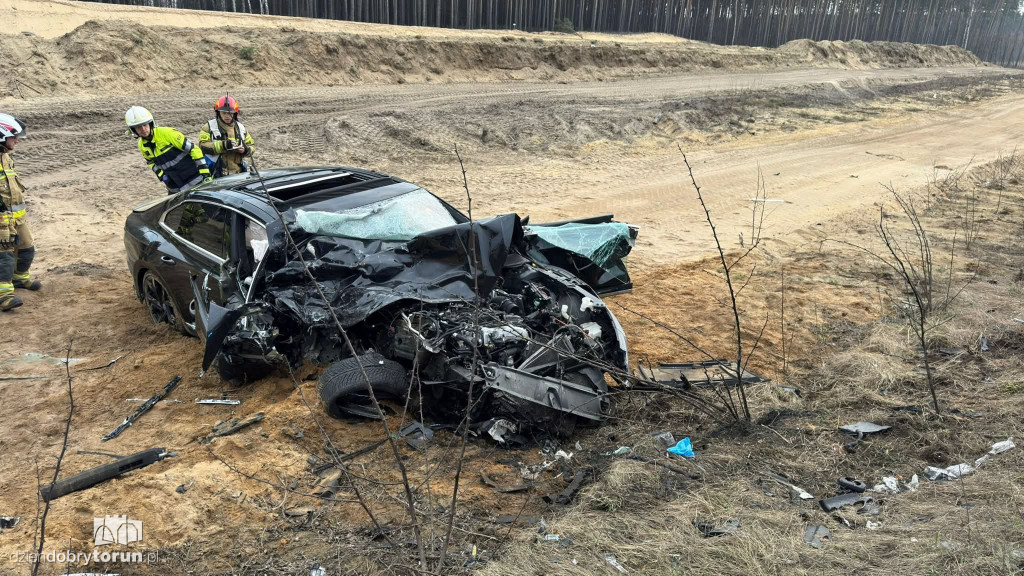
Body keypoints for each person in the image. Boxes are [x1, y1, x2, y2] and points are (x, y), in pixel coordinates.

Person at [0, 113, 39, 312]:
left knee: (26, 248)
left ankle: (20, 279)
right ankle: (3, 296)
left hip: (17, 217)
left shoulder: (6, 158)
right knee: (3, 255)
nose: (17, 141)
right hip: (1, 220)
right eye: (14, 137)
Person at [125, 106, 211, 195]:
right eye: (138, 127)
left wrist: (205, 173)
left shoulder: (167, 133)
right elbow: (150, 162)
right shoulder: (141, 145)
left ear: (150, 123)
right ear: (133, 130)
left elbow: (194, 149)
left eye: (144, 125)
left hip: (195, 179)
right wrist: (162, 176)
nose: (143, 129)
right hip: (174, 186)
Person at [199, 95, 254, 177]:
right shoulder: (209, 127)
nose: (227, 116)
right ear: (218, 112)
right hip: (217, 174)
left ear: (235, 113)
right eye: (224, 113)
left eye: (230, 113)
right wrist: (224, 145)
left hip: (238, 173)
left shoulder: (241, 128)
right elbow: (202, 146)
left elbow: (252, 147)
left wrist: (245, 150)